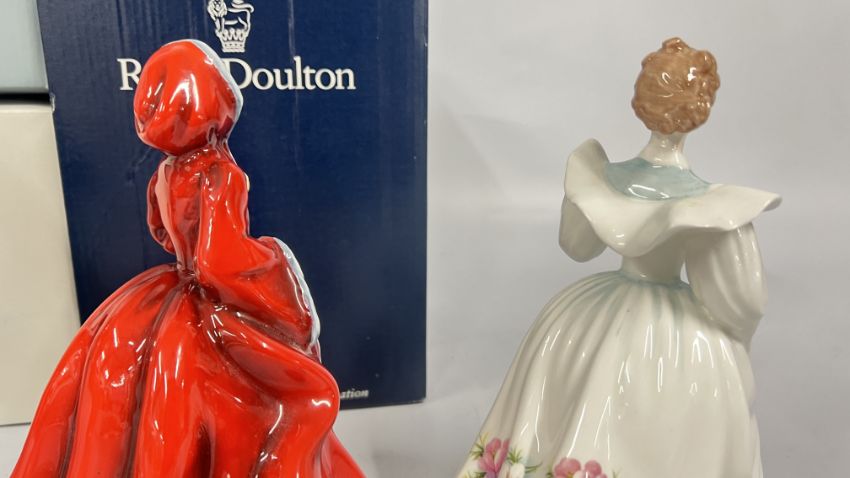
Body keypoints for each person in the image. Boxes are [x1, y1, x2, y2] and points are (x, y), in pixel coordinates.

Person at [13, 39, 363, 478]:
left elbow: (162, 233)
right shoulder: (219, 174)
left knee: (145, 391)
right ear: (214, 98)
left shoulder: (163, 174)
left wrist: (188, 254)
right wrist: (275, 260)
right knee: (279, 391)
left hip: (171, 290)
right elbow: (220, 260)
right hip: (210, 297)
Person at [458, 38, 780, 478]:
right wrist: (732, 341)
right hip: (676, 330)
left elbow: (577, 245)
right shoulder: (711, 205)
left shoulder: (599, 176)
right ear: (701, 110)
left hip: (594, 311)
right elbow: (740, 303)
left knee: (572, 380)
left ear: (642, 102)